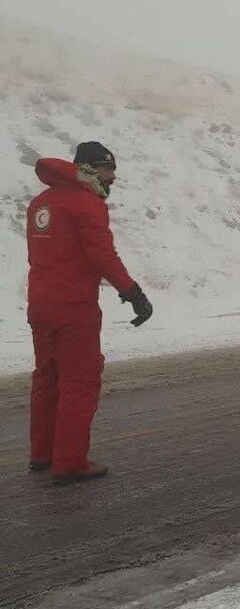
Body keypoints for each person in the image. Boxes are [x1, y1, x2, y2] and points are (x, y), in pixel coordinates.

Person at [26, 142, 153, 486]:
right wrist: (132, 293)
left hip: (40, 306)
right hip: (74, 309)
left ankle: (43, 453)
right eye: (109, 170)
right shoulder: (87, 204)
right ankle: (69, 463)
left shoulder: (41, 203)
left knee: (47, 377)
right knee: (79, 382)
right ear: (92, 169)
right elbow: (102, 256)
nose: (112, 177)